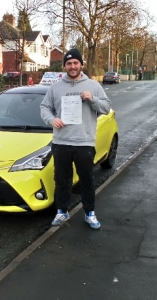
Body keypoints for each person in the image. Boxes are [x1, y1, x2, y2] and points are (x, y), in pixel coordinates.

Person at [40, 48, 111, 230]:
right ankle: (62, 211)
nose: (72, 66)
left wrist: (92, 99)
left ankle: (89, 213)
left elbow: (106, 108)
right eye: (69, 63)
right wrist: (52, 119)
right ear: (64, 66)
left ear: (81, 65)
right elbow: (44, 108)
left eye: (75, 63)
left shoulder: (93, 86)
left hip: (84, 142)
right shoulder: (55, 88)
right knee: (62, 181)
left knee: (86, 180)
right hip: (61, 142)